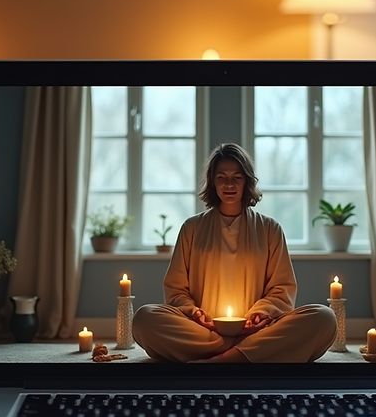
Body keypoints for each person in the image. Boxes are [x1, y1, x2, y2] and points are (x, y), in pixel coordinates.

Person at [132, 143, 336, 363]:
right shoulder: (192, 228)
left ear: (247, 181)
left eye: (237, 177)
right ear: (213, 182)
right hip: (203, 330)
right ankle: (246, 353)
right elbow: (176, 289)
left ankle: (223, 357)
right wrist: (193, 312)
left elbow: (281, 289)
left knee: (324, 318)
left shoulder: (270, 229)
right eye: (221, 177)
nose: (229, 184)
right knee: (144, 319)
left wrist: (260, 314)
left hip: (256, 329)